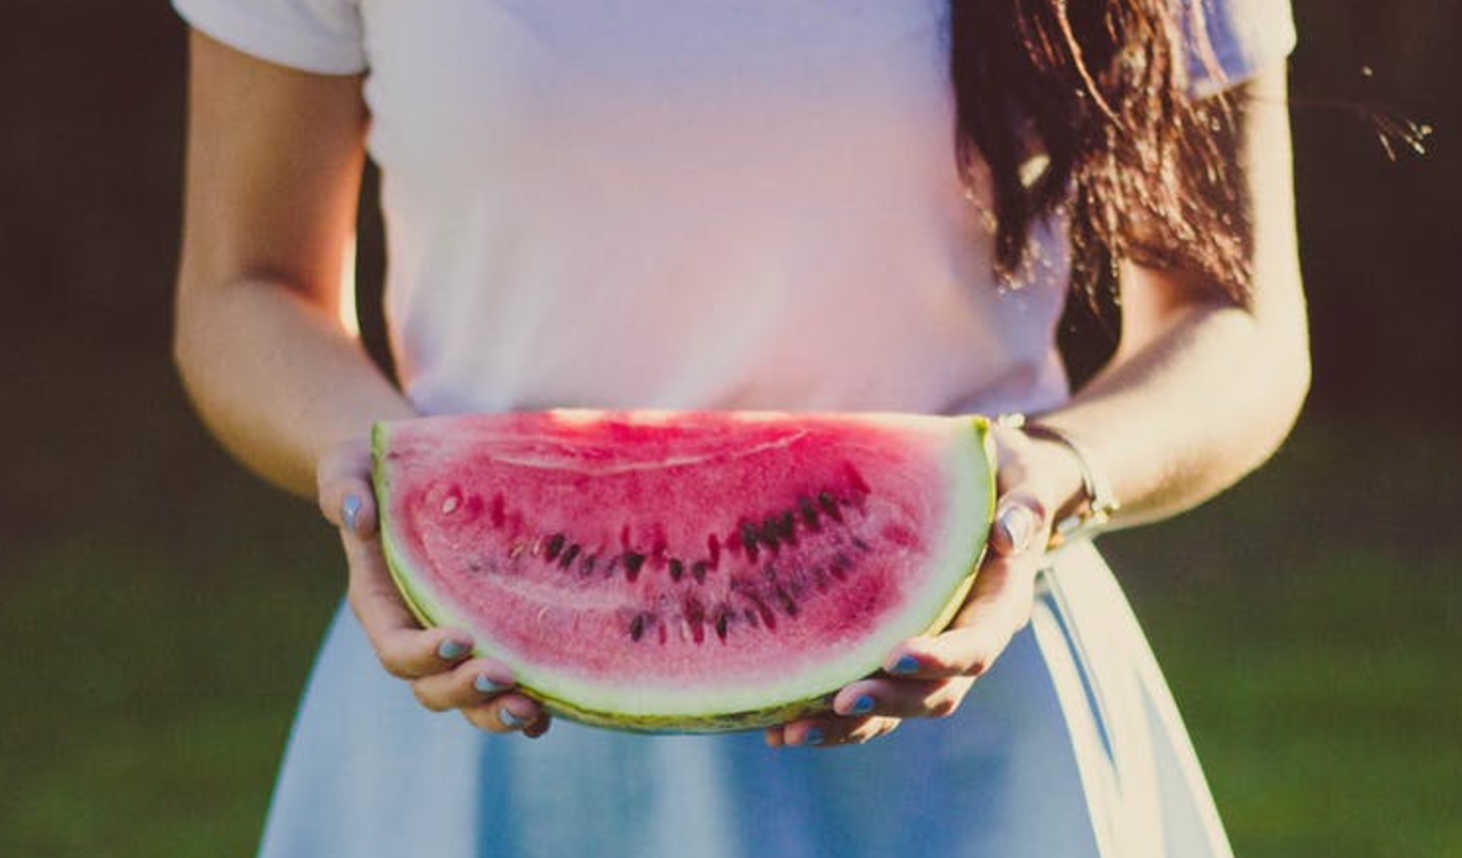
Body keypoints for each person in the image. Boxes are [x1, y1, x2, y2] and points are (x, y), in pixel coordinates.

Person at [171, 1, 1308, 856]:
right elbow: (246, 287)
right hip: (478, 703)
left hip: (966, 688)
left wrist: (1053, 475)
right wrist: (382, 488)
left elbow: (1238, 320)